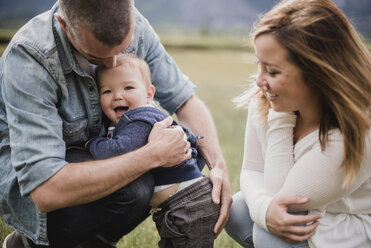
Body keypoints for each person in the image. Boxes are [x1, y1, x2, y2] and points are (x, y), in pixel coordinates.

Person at [0, 0, 232, 247]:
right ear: (64, 26)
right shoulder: (31, 57)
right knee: (135, 188)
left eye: (122, 49)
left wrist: (218, 167)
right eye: (96, 56)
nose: (111, 64)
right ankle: (28, 243)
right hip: (47, 185)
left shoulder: (135, 23)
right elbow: (45, 190)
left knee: (143, 181)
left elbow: (184, 99)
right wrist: (153, 155)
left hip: (95, 157)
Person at [225, 0, 371, 247]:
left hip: (351, 228)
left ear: (317, 73)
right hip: (315, 213)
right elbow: (251, 170)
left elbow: (284, 200)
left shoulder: (354, 130)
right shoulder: (270, 97)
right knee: (238, 209)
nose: (259, 80)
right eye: (258, 64)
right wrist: (265, 209)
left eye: (272, 71)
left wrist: (281, 120)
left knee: (275, 233)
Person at [85, 53, 220, 247]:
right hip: (180, 204)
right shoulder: (147, 118)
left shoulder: (139, 119)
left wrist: (91, 144)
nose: (117, 96)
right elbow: (191, 139)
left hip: (188, 204)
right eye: (106, 91)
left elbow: (115, 152)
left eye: (128, 88)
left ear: (149, 94)